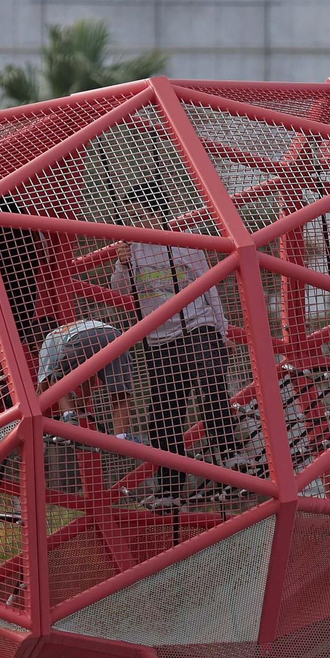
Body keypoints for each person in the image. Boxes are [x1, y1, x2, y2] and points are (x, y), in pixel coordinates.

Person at [113, 181, 244, 504]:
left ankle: (230, 452)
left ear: (156, 213)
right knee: (163, 414)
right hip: (160, 341)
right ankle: (170, 488)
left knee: (211, 384)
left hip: (197, 327)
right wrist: (123, 262)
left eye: (138, 215)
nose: (133, 222)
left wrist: (222, 332)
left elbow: (209, 289)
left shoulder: (184, 243)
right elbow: (121, 290)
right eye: (129, 217)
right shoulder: (131, 250)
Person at [37, 319, 136, 439]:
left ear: (35, 346)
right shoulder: (69, 328)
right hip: (113, 334)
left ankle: (69, 419)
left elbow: (44, 382)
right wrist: (81, 403)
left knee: (57, 379)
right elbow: (90, 378)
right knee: (120, 389)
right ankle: (121, 436)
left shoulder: (48, 340)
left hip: (81, 337)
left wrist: (35, 414)